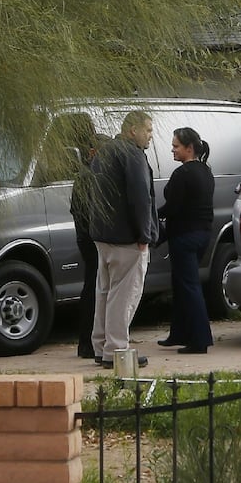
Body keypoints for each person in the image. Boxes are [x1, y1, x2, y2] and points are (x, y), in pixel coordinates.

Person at [87, 111, 157, 367]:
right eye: (148, 130)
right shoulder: (133, 154)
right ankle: (116, 349)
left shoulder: (105, 151)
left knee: (105, 292)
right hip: (127, 237)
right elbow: (141, 197)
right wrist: (144, 234)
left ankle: (101, 345)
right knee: (124, 294)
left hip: (103, 235)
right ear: (133, 131)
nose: (151, 136)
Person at [156, 127, 214, 354]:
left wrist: (152, 216)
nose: (172, 150)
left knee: (189, 287)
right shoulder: (205, 171)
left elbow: (173, 208)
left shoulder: (183, 174)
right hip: (202, 235)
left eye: (176, 146)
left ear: (189, 148)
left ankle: (200, 340)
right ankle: (178, 333)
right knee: (181, 285)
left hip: (184, 237)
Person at [70, 131, 108, 359]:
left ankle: (89, 341)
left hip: (88, 237)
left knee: (94, 287)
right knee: (94, 288)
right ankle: (88, 342)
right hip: (90, 239)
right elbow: (86, 211)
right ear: (93, 153)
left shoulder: (88, 175)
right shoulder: (88, 176)